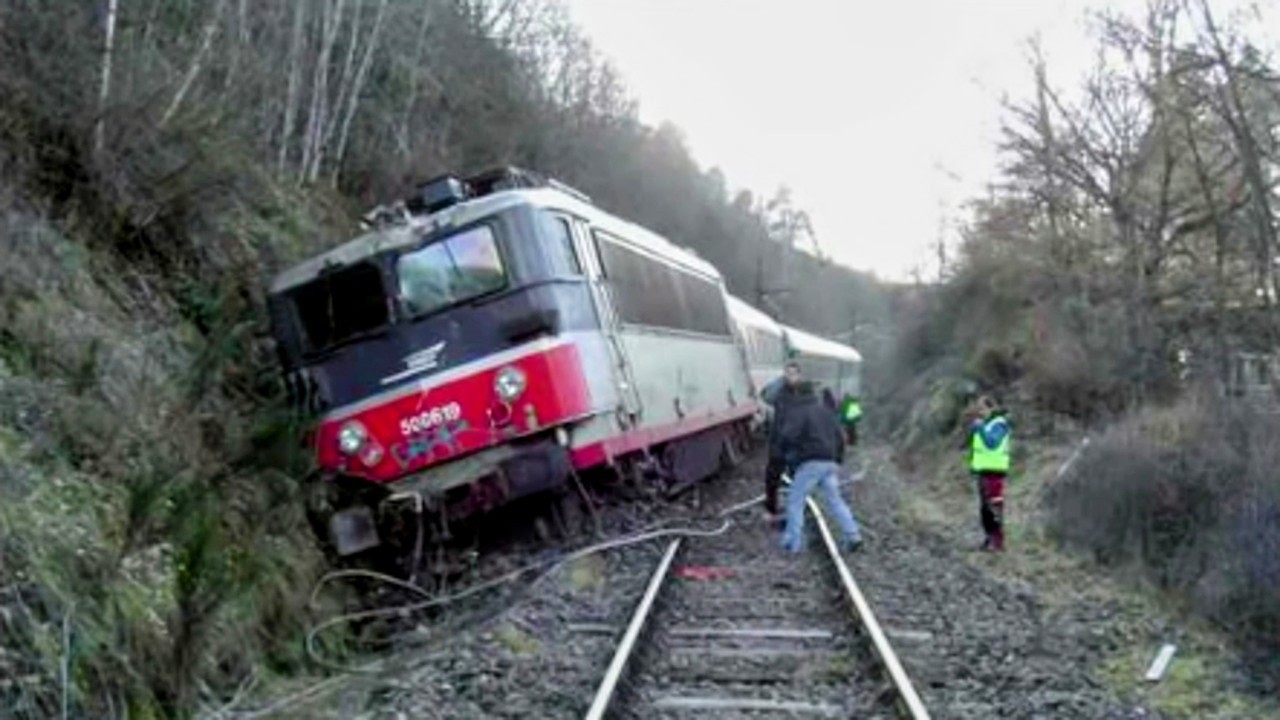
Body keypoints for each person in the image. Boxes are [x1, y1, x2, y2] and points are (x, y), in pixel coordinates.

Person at [778, 380, 863, 553]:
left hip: (810, 462)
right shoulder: (826, 411)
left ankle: (793, 544)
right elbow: (839, 437)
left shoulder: (798, 412)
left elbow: (787, 436)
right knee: (835, 500)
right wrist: (837, 460)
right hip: (829, 462)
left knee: (795, 501)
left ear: (798, 394)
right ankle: (853, 535)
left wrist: (788, 456)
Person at [759, 362, 803, 525]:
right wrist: (780, 381)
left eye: (794, 373)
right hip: (778, 441)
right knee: (772, 477)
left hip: (796, 443)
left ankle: (795, 511)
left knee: (796, 477)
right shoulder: (779, 391)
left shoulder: (804, 392)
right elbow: (766, 396)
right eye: (788, 373)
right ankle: (772, 509)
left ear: (799, 375)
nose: (791, 376)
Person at [967, 395, 1011, 552]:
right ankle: (989, 537)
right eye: (978, 410)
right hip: (983, 470)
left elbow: (992, 443)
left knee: (994, 506)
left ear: (992, 408)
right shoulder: (986, 424)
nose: (980, 413)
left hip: (995, 471)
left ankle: (997, 542)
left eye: (983, 409)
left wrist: (980, 429)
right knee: (984, 508)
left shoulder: (999, 424)